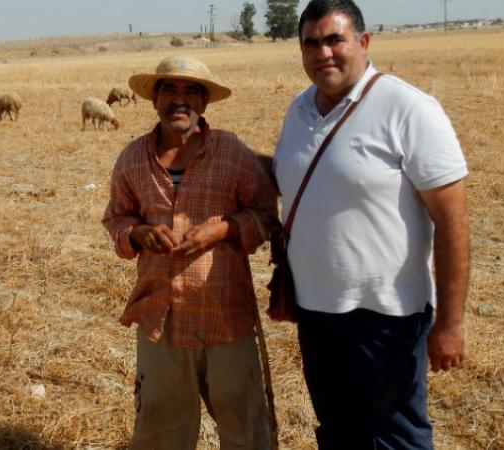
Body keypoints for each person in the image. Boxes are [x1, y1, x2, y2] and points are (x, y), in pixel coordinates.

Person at [272, 1, 470, 448]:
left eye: (333, 40)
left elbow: (453, 221)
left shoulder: (407, 108)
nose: (323, 53)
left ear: (363, 42)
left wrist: (450, 324)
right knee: (338, 432)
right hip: (315, 312)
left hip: (385, 316)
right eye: (311, 43)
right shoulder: (299, 110)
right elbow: (297, 176)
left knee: (395, 436)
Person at [102, 55, 278, 450]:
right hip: (159, 317)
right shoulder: (132, 158)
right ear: (155, 100)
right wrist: (140, 233)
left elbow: (266, 215)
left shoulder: (231, 152)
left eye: (190, 92)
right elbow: (116, 219)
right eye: (170, 90)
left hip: (224, 314)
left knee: (243, 425)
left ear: (204, 102)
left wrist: (223, 229)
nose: (179, 101)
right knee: (161, 428)